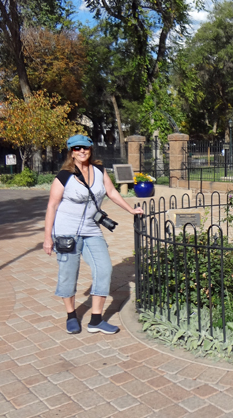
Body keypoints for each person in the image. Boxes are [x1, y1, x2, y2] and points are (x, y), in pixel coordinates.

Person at [43, 134, 143, 335]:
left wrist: (130, 210)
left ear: (90, 149)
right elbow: (52, 206)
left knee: (104, 268)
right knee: (69, 274)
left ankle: (96, 320)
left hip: (91, 229)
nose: (81, 151)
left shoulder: (99, 170)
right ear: (71, 152)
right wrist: (47, 238)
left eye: (85, 148)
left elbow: (112, 192)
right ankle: (71, 315)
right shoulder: (64, 175)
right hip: (66, 232)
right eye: (76, 148)